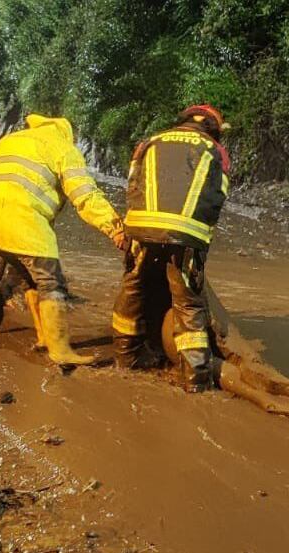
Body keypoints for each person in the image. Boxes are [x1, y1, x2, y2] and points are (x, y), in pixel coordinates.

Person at [0, 114, 126, 365]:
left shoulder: (11, 139)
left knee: (29, 279)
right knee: (51, 282)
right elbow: (85, 195)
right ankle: (61, 350)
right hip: (23, 217)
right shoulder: (63, 148)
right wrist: (114, 228)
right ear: (67, 133)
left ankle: (44, 337)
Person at [111, 105, 231, 392]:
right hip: (185, 236)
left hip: (140, 228)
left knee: (133, 291)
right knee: (189, 305)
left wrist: (131, 230)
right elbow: (216, 196)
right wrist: (201, 242)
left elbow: (132, 184)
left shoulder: (150, 142)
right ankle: (196, 380)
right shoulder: (216, 150)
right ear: (213, 128)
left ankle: (126, 359)